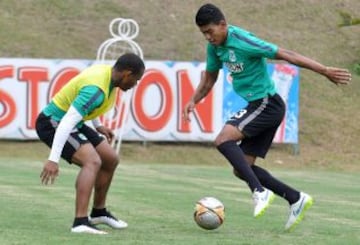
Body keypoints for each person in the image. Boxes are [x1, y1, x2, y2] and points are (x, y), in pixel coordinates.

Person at [183, 3, 351, 231]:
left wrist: (324, 70)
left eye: (210, 31)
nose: (208, 37)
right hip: (258, 104)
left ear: (223, 25)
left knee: (223, 139)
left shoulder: (244, 40)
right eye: (203, 33)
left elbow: (286, 54)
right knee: (242, 169)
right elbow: (210, 77)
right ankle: (295, 198)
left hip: (267, 103)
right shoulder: (215, 47)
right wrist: (194, 100)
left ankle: (259, 192)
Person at [35, 53, 145, 234]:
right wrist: (53, 159)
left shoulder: (108, 76)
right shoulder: (96, 89)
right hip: (52, 122)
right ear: (127, 73)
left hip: (70, 122)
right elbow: (66, 122)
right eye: (136, 79)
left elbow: (87, 106)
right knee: (92, 161)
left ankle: (98, 212)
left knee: (110, 158)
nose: (135, 84)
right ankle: (80, 222)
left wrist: (98, 125)